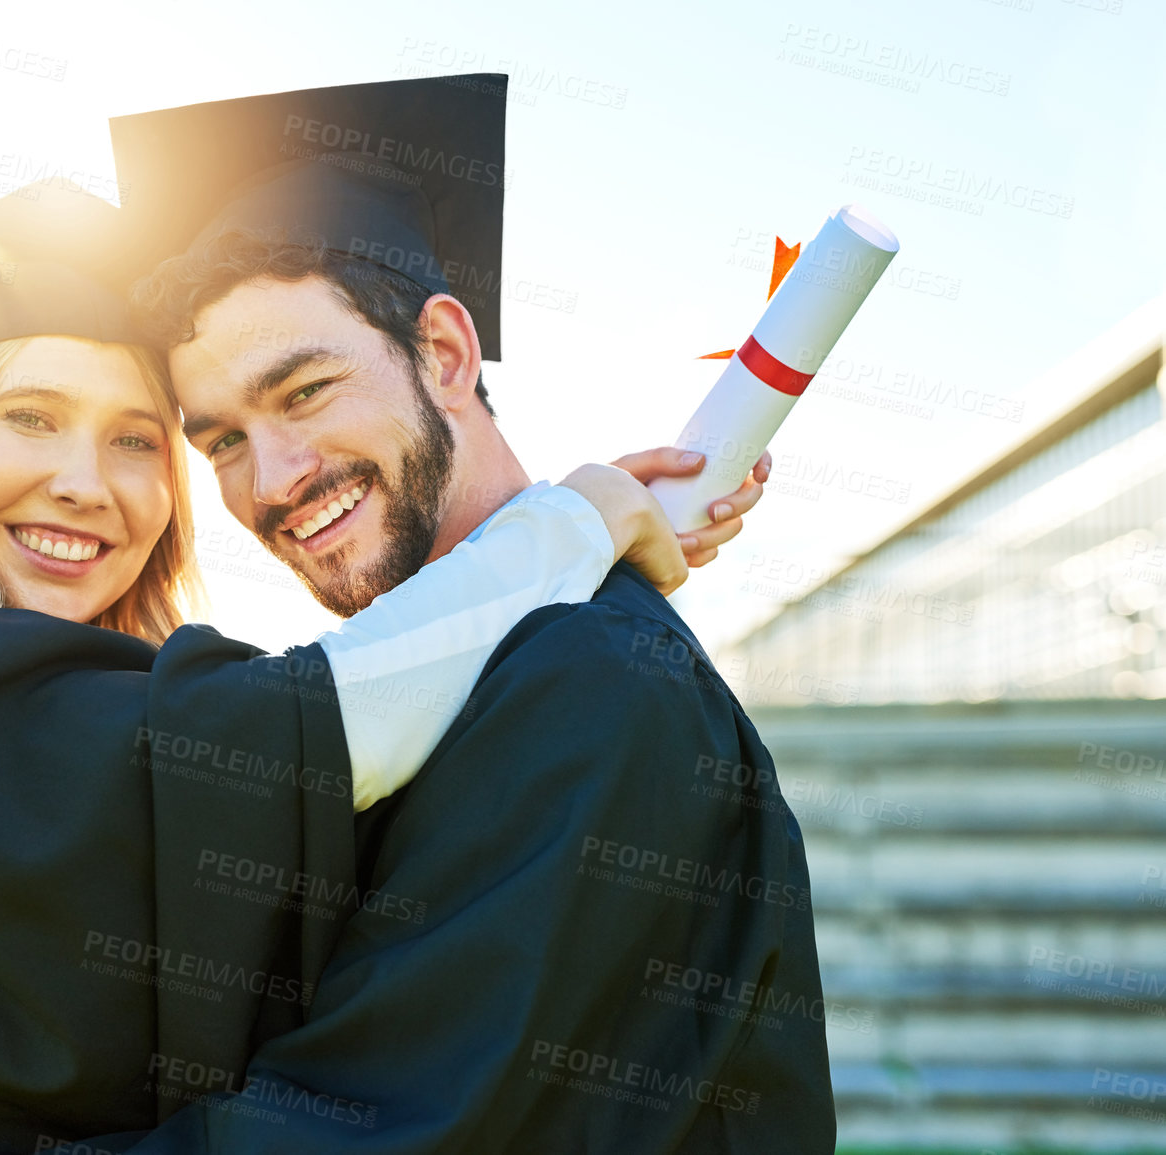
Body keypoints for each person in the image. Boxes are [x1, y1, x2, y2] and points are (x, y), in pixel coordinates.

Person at [0, 178, 762, 1154]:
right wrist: (567, 526)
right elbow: (303, 728)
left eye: (137, 441)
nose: (83, 482)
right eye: (29, 418)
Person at [55, 74, 835, 1152]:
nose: (272, 478)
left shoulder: (584, 676)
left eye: (306, 391)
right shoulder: (436, 685)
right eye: (221, 440)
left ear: (448, 354)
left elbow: (370, 1130)